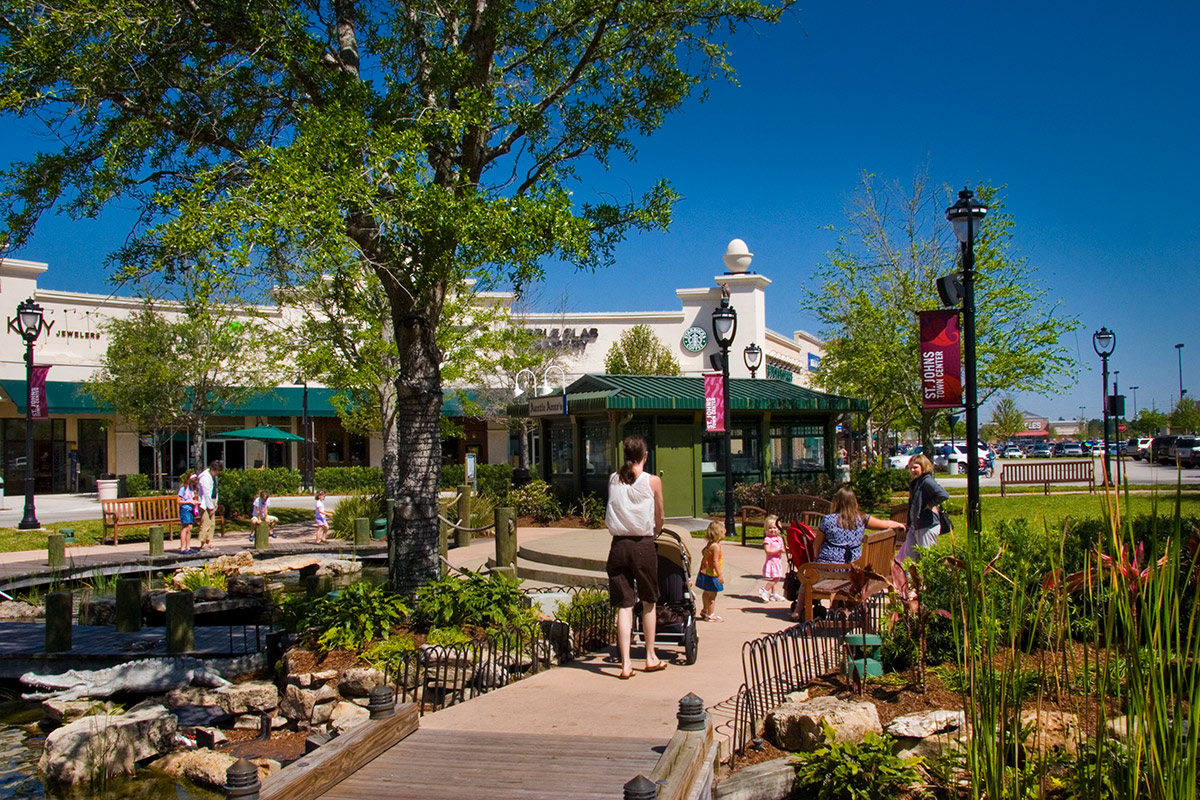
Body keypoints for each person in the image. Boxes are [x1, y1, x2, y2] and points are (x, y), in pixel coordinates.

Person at [604, 434, 668, 679]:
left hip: (618, 545)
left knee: (624, 605)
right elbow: (660, 514)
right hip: (643, 544)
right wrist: (657, 529)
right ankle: (650, 656)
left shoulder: (612, 479)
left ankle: (626, 663)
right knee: (649, 601)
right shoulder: (653, 481)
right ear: (645, 455)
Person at [893, 454, 950, 599]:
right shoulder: (915, 483)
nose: (912, 470)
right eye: (910, 467)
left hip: (927, 525)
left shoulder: (927, 481)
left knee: (926, 557)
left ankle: (928, 588)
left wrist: (930, 505)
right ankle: (913, 588)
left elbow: (943, 494)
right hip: (915, 526)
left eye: (915, 467)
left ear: (923, 467)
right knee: (910, 558)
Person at [817, 487, 905, 564]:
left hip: (828, 567)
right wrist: (899, 524)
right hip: (854, 567)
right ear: (854, 502)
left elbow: (816, 546)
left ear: (836, 502)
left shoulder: (827, 520)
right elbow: (885, 524)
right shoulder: (862, 519)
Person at [696, 521, 726, 621]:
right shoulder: (716, 546)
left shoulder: (710, 544)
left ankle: (705, 610)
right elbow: (715, 561)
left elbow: (702, 552)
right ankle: (711, 614)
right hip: (713, 574)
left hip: (705, 572)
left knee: (706, 593)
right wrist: (720, 575)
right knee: (712, 596)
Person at [196, 459, 224, 550]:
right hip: (205, 502)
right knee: (205, 522)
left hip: (212, 500)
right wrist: (210, 507)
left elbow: (215, 490)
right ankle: (202, 543)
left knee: (212, 523)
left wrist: (216, 501)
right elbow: (206, 493)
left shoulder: (214, 477)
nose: (218, 473)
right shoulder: (205, 477)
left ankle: (209, 541)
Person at [757, 515, 785, 602]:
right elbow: (768, 551)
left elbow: (783, 548)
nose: (773, 530)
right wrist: (778, 550)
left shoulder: (779, 539)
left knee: (777, 577)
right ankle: (764, 590)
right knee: (775, 578)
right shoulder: (767, 540)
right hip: (771, 562)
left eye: (775, 528)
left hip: (777, 562)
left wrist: (784, 549)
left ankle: (773, 594)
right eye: (770, 528)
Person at [176, 472, 199, 554]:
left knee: (190, 528)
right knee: (185, 527)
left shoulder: (191, 489)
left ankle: (188, 546)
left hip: (190, 510)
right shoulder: (183, 489)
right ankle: (182, 548)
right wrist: (189, 502)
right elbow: (179, 501)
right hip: (185, 510)